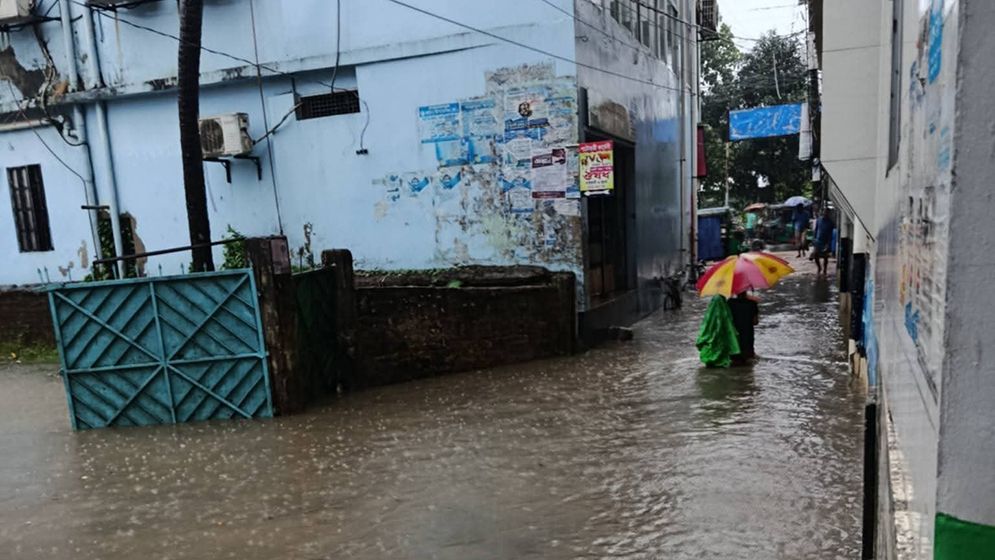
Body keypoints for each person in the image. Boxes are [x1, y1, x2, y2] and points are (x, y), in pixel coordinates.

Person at [727, 292, 760, 364]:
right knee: (749, 362)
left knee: (735, 361)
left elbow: (727, 319)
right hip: (748, 342)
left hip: (734, 340)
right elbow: (755, 322)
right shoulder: (752, 304)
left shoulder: (730, 303)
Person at [813, 208, 836, 276]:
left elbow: (830, 235)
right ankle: (819, 268)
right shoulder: (819, 220)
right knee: (815, 255)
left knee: (825, 256)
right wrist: (814, 238)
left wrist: (828, 244)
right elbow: (816, 229)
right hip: (818, 240)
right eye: (824, 212)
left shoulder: (830, 223)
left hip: (825, 241)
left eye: (827, 212)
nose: (825, 213)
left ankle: (825, 270)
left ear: (828, 214)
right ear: (823, 212)